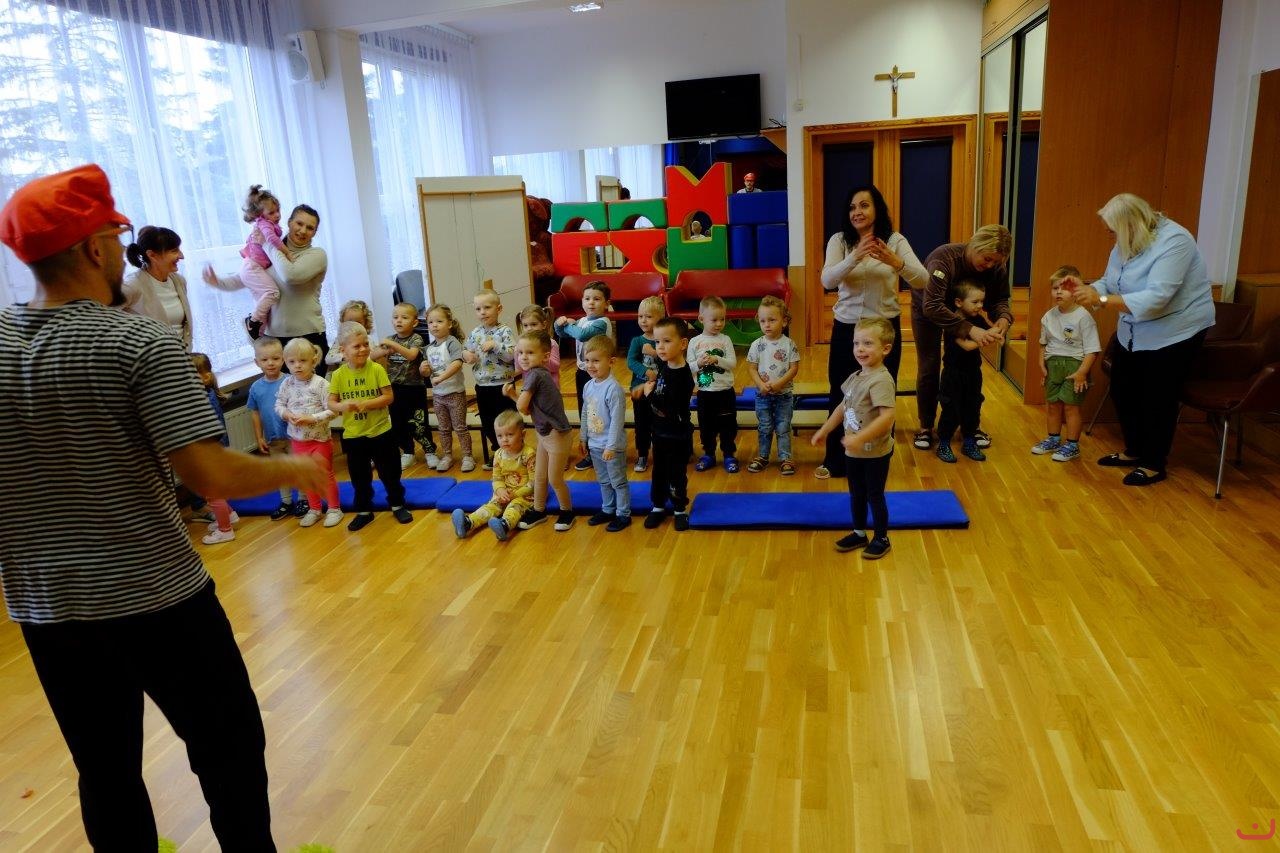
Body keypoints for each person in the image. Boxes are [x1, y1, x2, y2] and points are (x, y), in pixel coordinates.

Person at [0, 163, 325, 851]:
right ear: (94, 247)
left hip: (47, 607)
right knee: (228, 746)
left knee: (104, 768)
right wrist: (292, 466)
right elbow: (208, 471)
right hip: (156, 596)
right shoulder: (136, 342)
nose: (123, 250)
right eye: (116, 235)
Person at [1072, 192, 1214, 485]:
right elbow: (1111, 281)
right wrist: (1088, 289)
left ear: (1130, 225)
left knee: (1157, 397)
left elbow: (1156, 299)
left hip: (1176, 329)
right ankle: (1134, 451)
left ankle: (1153, 463)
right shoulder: (1126, 241)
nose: (1110, 237)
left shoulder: (1175, 241)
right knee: (1122, 389)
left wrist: (1100, 299)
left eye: (1113, 231)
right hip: (1135, 329)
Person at [817, 184, 927, 479]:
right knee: (841, 392)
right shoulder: (840, 240)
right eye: (852, 207)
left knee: (881, 394)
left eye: (864, 205)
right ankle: (837, 460)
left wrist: (895, 262)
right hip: (848, 329)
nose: (857, 212)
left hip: (883, 330)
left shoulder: (895, 240)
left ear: (877, 208)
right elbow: (827, 280)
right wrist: (854, 257)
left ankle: (877, 460)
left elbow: (923, 280)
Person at [913, 224, 1013, 451]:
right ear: (975, 245)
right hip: (929, 312)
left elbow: (999, 300)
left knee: (968, 373)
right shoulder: (943, 259)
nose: (990, 265)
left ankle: (970, 426)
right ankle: (926, 427)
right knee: (929, 366)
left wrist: (1003, 318)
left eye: (995, 262)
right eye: (987, 259)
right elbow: (932, 306)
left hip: (968, 312)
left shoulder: (996, 267)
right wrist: (970, 330)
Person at [203, 204, 330, 372]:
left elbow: (290, 275)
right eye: (299, 223)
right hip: (274, 342)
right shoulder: (268, 254)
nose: (303, 230)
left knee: (315, 389)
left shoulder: (316, 255)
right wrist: (217, 282)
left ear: (315, 232)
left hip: (309, 337)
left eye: (310, 228)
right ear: (289, 222)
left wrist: (267, 243)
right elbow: (246, 277)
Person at [810, 317, 897, 559]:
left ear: (885, 349)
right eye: (856, 343)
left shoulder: (881, 380)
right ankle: (859, 533)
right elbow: (842, 406)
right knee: (856, 493)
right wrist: (825, 430)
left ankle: (881, 538)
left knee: (874, 495)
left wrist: (860, 438)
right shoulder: (856, 376)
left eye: (868, 343)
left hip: (875, 452)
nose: (860, 349)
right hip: (854, 451)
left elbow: (887, 418)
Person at [329, 320, 413, 530]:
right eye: (356, 346)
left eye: (366, 344)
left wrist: (366, 404)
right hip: (354, 436)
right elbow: (331, 402)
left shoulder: (376, 369)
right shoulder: (338, 375)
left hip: (381, 432)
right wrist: (343, 406)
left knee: (390, 472)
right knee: (359, 477)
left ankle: (397, 504)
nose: (363, 349)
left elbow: (388, 397)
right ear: (343, 350)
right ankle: (364, 511)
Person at [504, 331, 576, 532]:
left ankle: (567, 511)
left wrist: (512, 394)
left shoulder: (535, 375)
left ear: (545, 356)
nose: (523, 357)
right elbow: (528, 409)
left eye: (530, 353)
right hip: (544, 433)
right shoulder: (536, 374)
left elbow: (521, 407)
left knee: (555, 479)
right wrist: (514, 395)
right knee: (539, 476)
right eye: (520, 352)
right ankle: (539, 510)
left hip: (557, 435)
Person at [1033, 266, 1100, 462]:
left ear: (1076, 292)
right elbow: (1043, 343)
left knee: (1071, 407)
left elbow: (1092, 350)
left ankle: (1072, 445)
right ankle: (1053, 439)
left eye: (1065, 288)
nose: (1059, 292)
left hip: (1075, 367)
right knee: (1053, 405)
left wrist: (1082, 373)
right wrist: (1042, 365)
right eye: (1055, 288)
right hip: (1053, 365)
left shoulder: (1083, 317)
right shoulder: (1048, 316)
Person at [276, 338, 343, 528]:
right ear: (285, 362)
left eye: (302, 361)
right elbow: (279, 404)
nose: (297, 365)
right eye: (292, 362)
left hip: (319, 440)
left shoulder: (321, 384)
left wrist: (312, 418)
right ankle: (314, 509)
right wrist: (286, 414)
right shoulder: (286, 384)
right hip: (298, 442)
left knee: (324, 474)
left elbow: (333, 411)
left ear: (313, 361)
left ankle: (334, 509)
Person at [451, 409, 536, 542]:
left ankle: (504, 525)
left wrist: (514, 495)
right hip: (504, 493)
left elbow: (533, 483)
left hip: (525, 495)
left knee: (515, 508)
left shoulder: (529, 454)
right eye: (500, 436)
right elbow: (497, 478)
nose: (504, 440)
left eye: (510, 435)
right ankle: (468, 523)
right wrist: (500, 490)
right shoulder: (498, 454)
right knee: (491, 506)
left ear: (522, 434)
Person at [642, 317, 695, 531]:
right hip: (660, 433)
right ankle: (658, 506)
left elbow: (669, 408)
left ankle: (679, 509)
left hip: (677, 435)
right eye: (657, 342)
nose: (660, 347)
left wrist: (649, 395)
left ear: (682, 344)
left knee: (676, 473)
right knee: (659, 471)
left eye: (666, 341)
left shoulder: (683, 375)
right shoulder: (666, 365)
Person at [555, 280, 613, 471]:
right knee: (585, 411)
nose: (591, 302)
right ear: (582, 301)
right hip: (582, 373)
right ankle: (590, 452)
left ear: (606, 303)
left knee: (599, 413)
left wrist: (568, 324)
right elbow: (562, 333)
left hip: (599, 376)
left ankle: (604, 449)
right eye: (587, 298)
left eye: (597, 299)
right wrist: (559, 324)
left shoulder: (602, 323)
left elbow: (581, 335)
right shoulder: (581, 321)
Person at [935, 282, 991, 464]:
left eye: (982, 301)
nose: (980, 306)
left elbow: (990, 331)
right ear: (959, 302)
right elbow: (966, 345)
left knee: (972, 408)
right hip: (953, 374)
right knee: (951, 409)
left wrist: (995, 331)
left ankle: (969, 441)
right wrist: (988, 337)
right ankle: (944, 443)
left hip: (973, 373)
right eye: (975, 302)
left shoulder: (978, 320)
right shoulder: (953, 322)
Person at [580, 336, 631, 532]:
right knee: (603, 480)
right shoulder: (588, 386)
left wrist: (611, 446)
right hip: (594, 444)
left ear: (611, 362)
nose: (590, 365)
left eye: (595, 361)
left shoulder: (613, 389)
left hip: (612, 446)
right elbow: (586, 412)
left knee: (618, 481)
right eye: (587, 360)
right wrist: (583, 437)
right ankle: (608, 509)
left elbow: (617, 421)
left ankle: (623, 514)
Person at [245, 337, 299, 519]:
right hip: (273, 439)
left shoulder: (291, 381)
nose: (270, 363)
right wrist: (259, 437)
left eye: (275, 358)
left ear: (283, 359)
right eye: (265, 359)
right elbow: (255, 413)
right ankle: (286, 502)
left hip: (294, 436)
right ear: (257, 362)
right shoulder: (255, 388)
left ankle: (304, 499)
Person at [462, 289, 517, 469]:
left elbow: (512, 355)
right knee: (487, 422)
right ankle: (499, 450)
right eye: (478, 309)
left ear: (498, 309)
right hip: (482, 386)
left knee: (507, 421)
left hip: (502, 385)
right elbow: (467, 350)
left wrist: (495, 345)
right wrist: (466, 355)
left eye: (487, 307)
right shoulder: (475, 332)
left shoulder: (504, 331)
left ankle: (513, 451)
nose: (482, 312)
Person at [746, 295, 801, 475]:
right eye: (763, 321)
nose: (767, 325)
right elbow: (752, 368)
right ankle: (763, 456)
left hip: (784, 395)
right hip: (763, 395)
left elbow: (793, 368)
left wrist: (779, 383)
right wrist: (760, 385)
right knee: (765, 427)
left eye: (772, 320)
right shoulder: (756, 345)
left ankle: (785, 458)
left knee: (783, 427)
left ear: (784, 321)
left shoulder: (789, 344)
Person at [232, 184, 294, 340]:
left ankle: (258, 334)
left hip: (252, 267)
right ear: (260, 214)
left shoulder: (266, 224)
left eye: (278, 210)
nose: (277, 215)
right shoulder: (264, 224)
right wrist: (287, 252)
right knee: (273, 293)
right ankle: (252, 321)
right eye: (271, 212)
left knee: (264, 309)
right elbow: (272, 239)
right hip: (252, 267)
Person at [192, 352, 240, 545]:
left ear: (206, 377)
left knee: (213, 495)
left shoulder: (201, 400)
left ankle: (225, 530)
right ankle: (230, 516)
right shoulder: (209, 393)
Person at [420, 303, 473, 473]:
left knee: (460, 427)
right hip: (438, 396)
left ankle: (467, 456)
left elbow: (457, 363)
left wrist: (441, 377)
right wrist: (423, 370)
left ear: (449, 323)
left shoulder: (452, 342)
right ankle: (447, 455)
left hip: (455, 393)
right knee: (443, 428)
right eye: (430, 322)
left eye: (439, 321)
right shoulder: (428, 348)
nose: (434, 325)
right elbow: (426, 371)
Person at [689, 294, 739, 473]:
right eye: (714, 320)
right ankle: (709, 454)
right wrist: (699, 363)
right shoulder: (694, 342)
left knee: (728, 425)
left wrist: (717, 359)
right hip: (705, 392)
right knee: (706, 426)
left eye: (722, 319)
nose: (719, 324)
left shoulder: (725, 340)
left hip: (725, 391)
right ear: (701, 319)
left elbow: (732, 364)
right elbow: (688, 368)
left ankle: (729, 455)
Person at [121, 224, 193, 349]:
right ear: (152, 255)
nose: (181, 256)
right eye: (174, 251)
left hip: (181, 355)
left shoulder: (179, 281)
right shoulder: (132, 285)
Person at [380, 301, 432, 471]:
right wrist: (385, 350)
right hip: (395, 388)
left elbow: (411, 355)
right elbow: (373, 356)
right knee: (398, 422)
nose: (399, 320)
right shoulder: (390, 339)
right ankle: (408, 452)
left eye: (404, 317)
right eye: (395, 317)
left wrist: (393, 346)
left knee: (419, 422)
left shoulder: (416, 338)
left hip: (414, 388)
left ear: (414, 322)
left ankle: (429, 450)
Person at [627, 296, 664, 473]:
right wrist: (645, 371)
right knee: (641, 424)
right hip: (639, 390)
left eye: (648, 316)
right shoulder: (637, 341)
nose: (643, 320)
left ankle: (661, 453)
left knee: (659, 423)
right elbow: (630, 361)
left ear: (660, 319)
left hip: (660, 390)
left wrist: (655, 353)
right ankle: (642, 454)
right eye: (640, 316)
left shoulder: (663, 341)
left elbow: (669, 362)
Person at [516, 304, 560, 378]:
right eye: (525, 325)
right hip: (530, 382)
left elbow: (556, 367)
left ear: (544, 324)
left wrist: (540, 358)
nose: (529, 328)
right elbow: (519, 368)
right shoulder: (522, 344)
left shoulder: (552, 343)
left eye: (534, 324)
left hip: (548, 383)